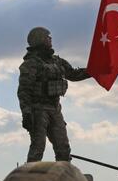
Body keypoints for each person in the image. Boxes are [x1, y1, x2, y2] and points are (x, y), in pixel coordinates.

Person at [17, 27, 91, 162]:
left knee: (63, 148)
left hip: (55, 109)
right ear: (39, 39)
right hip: (38, 110)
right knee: (38, 148)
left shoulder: (57, 61)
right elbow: (24, 91)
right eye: (47, 37)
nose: (50, 39)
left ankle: (64, 177)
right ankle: (30, 179)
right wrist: (26, 113)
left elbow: (73, 74)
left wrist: (93, 71)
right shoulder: (30, 64)